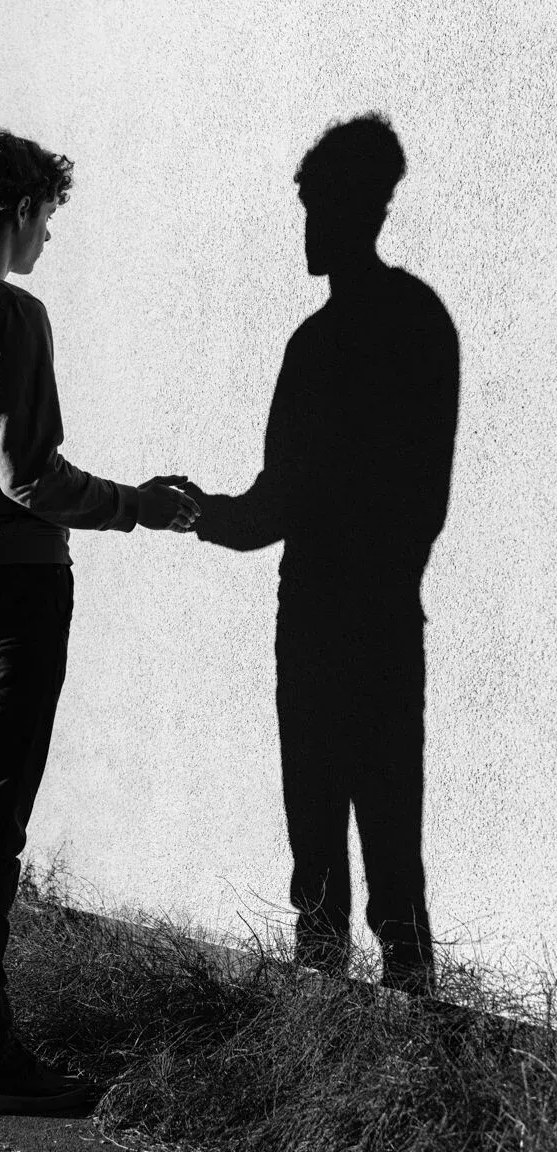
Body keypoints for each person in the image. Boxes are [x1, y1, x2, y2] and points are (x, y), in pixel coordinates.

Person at [0, 126, 201, 1115]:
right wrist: (134, 503)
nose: (49, 236)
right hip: (8, 586)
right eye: (48, 215)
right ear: (17, 211)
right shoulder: (4, 311)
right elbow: (27, 475)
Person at [187, 114, 459, 995]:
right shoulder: (419, 322)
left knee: (323, 838)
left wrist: (201, 515)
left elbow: (283, 497)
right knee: (387, 830)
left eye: (314, 206)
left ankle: (333, 1022)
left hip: (322, 613)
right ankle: (399, 1023)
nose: (305, 226)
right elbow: (415, 499)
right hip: (380, 608)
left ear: (357, 209)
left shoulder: (323, 343)